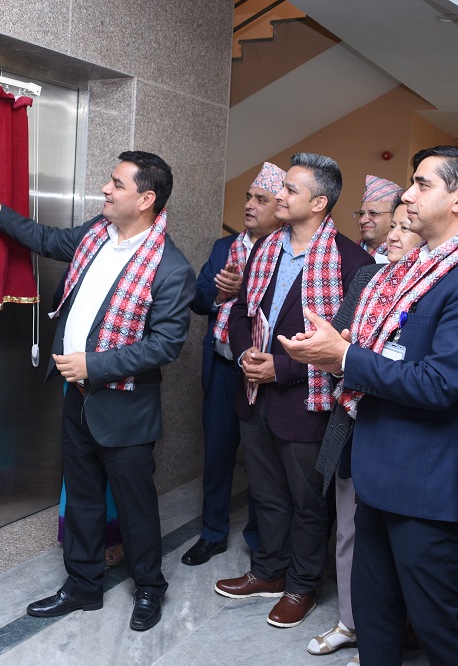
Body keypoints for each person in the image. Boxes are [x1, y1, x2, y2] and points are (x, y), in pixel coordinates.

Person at [279, 145, 458, 665]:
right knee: (375, 614)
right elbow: (388, 351)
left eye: (422, 184)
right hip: (378, 472)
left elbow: (439, 383)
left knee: (438, 629)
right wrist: (336, 351)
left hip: (427, 485)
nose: (407, 195)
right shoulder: (412, 268)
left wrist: (346, 357)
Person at [0, 151, 196, 632]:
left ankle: (149, 588)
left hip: (125, 408)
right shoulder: (95, 234)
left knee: (135, 506)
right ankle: (83, 586)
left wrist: (94, 364)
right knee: (84, 497)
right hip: (78, 399)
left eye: (117, 183)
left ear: (146, 199)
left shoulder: (171, 268)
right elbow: (47, 239)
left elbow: (165, 345)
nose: (105, 189)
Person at [214, 153, 374, 629]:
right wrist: (245, 355)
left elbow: (348, 344)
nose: (278, 196)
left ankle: (302, 584)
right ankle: (268, 570)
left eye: (289, 190)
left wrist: (280, 368)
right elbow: (241, 311)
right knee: (266, 494)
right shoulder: (265, 248)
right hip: (254, 392)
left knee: (308, 503)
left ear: (319, 203)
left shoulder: (353, 262)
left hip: (308, 402)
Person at [308, 202, 422, 661]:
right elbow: (337, 342)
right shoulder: (367, 277)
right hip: (353, 420)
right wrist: (329, 352)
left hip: (403, 431)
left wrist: (353, 354)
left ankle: (390, 633)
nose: (392, 236)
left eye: (405, 228)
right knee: (350, 531)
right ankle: (351, 623)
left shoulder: (435, 287)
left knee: (400, 544)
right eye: (392, 226)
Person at [182, 162, 285, 566]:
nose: (249, 205)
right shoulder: (224, 247)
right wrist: (220, 295)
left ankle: (260, 539)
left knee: (262, 460)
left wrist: (246, 291)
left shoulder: (286, 251)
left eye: (261, 199)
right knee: (218, 452)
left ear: (281, 208)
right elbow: (197, 299)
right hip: (223, 366)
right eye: (248, 197)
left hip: (262, 370)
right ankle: (213, 533)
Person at [355, 175, 403, 264]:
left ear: (395, 216)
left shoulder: (404, 255)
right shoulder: (348, 252)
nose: (362, 220)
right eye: (361, 214)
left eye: (373, 213)